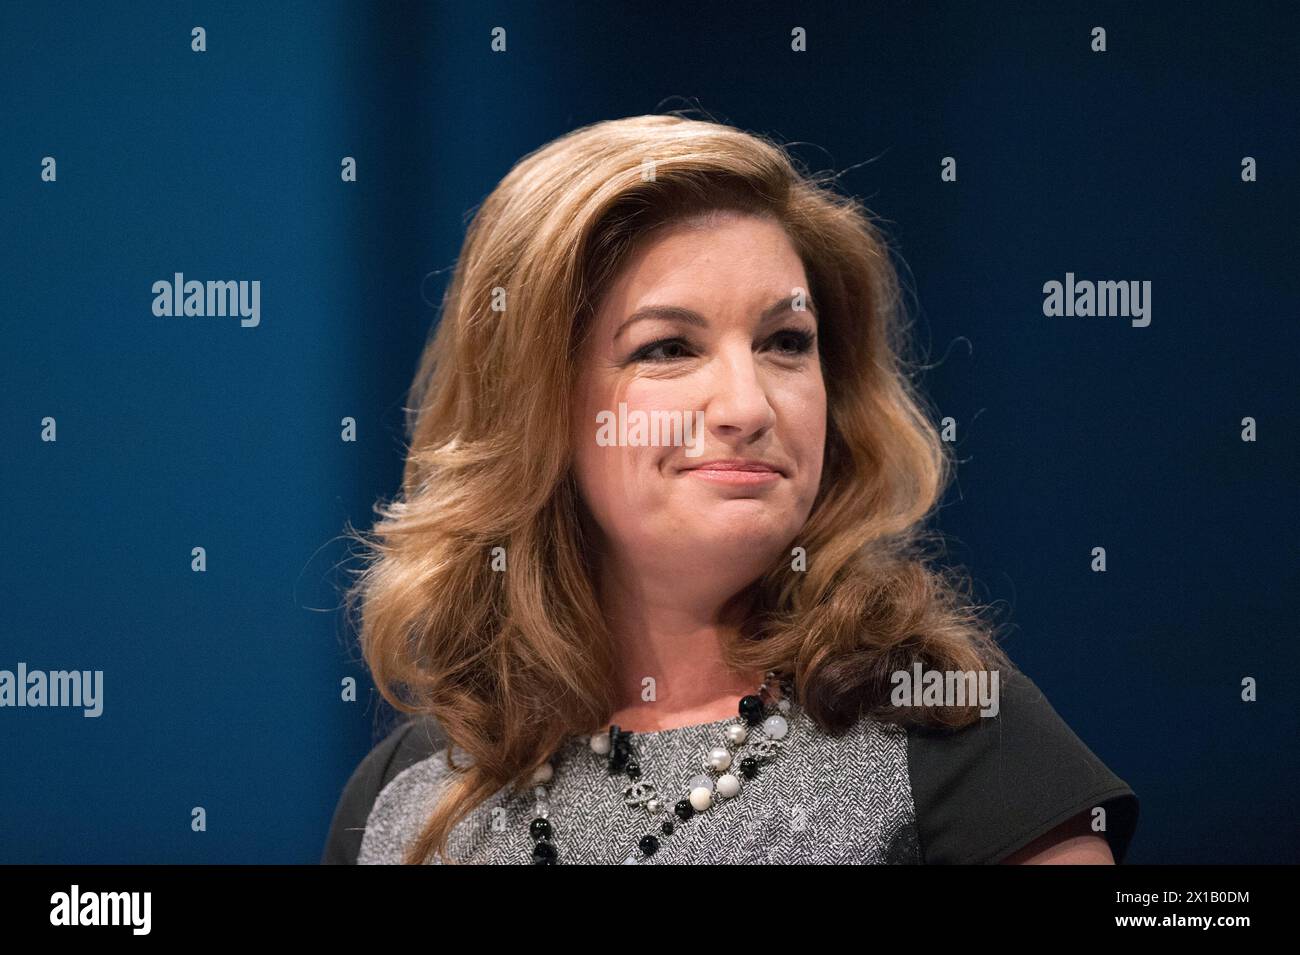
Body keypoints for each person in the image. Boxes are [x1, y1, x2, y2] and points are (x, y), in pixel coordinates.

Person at [323, 114, 1138, 865]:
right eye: (669, 347)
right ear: (537, 405)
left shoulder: (953, 730)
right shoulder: (409, 793)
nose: (748, 407)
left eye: (786, 342)